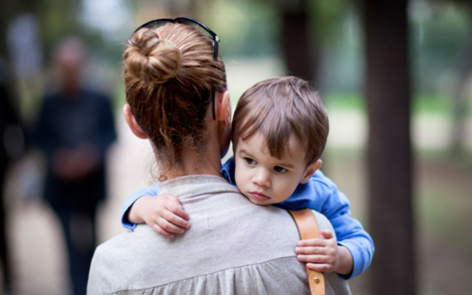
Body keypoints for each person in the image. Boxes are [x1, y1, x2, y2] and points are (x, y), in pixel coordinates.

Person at [87, 17, 351, 294]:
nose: (261, 179)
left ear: (134, 123)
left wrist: (140, 207)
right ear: (226, 109)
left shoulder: (112, 268)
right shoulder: (313, 240)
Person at [121, 76, 374, 279]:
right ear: (233, 143)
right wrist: (145, 208)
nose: (261, 179)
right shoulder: (225, 175)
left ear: (308, 171)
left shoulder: (320, 194)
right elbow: (142, 198)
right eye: (250, 161)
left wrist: (340, 257)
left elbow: (361, 242)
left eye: (280, 169)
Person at [33, 37, 116, 295]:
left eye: (74, 67)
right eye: (64, 68)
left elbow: (110, 135)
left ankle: (93, 284)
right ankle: (76, 288)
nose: (69, 73)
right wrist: (58, 159)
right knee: (68, 243)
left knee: (91, 240)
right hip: (61, 188)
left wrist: (91, 156)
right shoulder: (48, 101)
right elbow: (38, 138)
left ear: (82, 66)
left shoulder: (100, 98)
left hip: (90, 185)